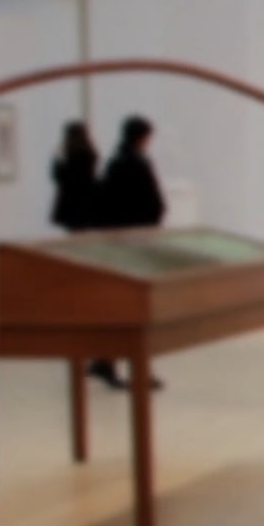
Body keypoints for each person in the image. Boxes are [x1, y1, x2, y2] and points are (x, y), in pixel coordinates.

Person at [92, 116, 168, 391]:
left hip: (118, 243)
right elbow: (154, 204)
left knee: (117, 306)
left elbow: (105, 203)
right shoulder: (136, 164)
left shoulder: (115, 163)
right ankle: (130, 366)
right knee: (134, 310)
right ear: (143, 137)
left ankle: (107, 359)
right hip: (135, 244)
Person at [48, 120, 102, 232]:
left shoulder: (69, 156)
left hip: (70, 203)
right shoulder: (89, 154)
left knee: (74, 231)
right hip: (88, 200)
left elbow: (58, 176)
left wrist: (57, 159)